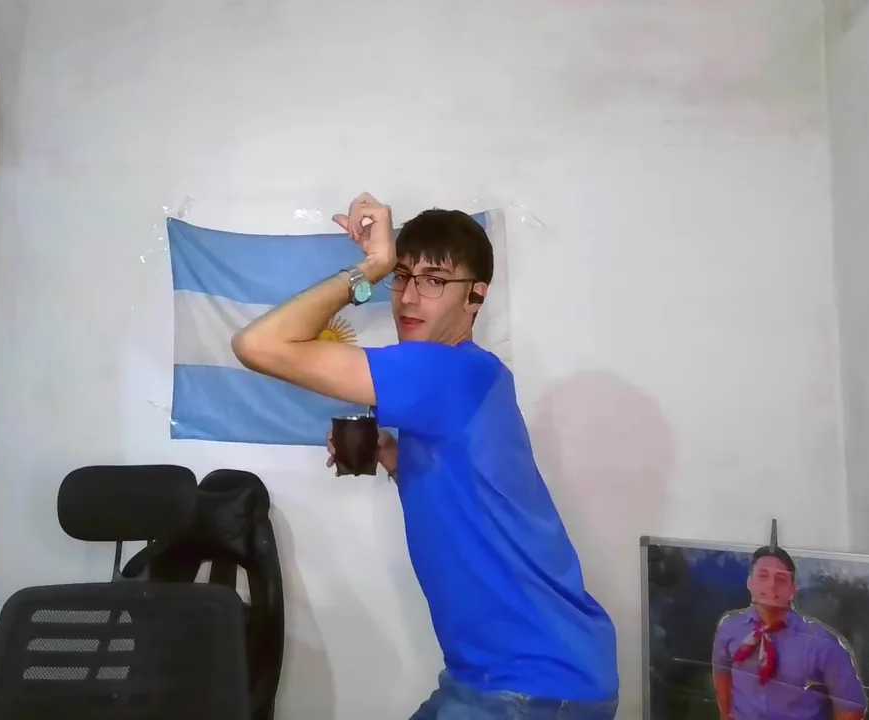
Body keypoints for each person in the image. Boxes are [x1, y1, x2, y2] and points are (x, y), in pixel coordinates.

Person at [232, 192, 619, 719]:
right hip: (493, 676)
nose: (409, 297)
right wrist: (395, 458)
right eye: (402, 276)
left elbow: (258, 345)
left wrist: (371, 266)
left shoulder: (445, 372)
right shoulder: (474, 373)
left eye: (434, 280)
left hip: (531, 685)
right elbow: (473, 492)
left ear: (475, 297)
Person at [711, 546, 868, 720]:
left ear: (793, 589)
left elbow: (851, 706)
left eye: (781, 579)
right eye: (763, 576)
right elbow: (721, 671)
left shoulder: (822, 643)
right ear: (750, 582)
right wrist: (725, 714)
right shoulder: (729, 627)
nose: (772, 585)